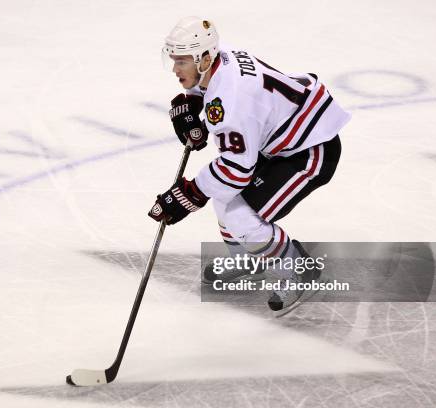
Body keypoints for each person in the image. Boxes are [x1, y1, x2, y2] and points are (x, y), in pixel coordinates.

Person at [148, 17, 351, 313]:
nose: (176, 70)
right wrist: (192, 101)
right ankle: (253, 258)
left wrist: (190, 193)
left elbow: (236, 169)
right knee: (227, 203)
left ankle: (298, 270)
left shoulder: (229, 101)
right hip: (283, 138)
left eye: (182, 62)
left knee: (240, 214)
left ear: (205, 58)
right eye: (174, 61)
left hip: (310, 149)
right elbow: (215, 98)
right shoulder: (218, 56)